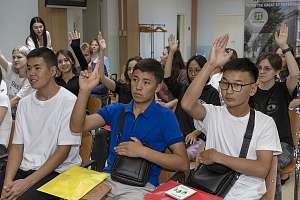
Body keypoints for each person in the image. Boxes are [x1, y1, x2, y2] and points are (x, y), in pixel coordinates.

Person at [70, 57, 189, 199]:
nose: (138, 86)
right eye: (135, 79)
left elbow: (183, 164)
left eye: (146, 82)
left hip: (141, 187)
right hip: (107, 180)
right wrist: (84, 91)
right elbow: (77, 127)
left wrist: (143, 152)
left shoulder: (165, 117)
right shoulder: (117, 110)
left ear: (157, 87)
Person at [182, 34, 281, 200]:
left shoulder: (265, 123)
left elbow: (262, 168)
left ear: (252, 89)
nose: (228, 90)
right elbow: (187, 104)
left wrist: (218, 157)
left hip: (246, 194)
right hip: (209, 189)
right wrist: (210, 65)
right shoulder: (213, 114)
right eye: (225, 83)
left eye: (237, 85)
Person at [0, 47, 81, 200]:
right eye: (29, 68)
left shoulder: (69, 102)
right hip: (26, 168)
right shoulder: (24, 104)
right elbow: (17, 147)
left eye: (37, 68)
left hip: (58, 172)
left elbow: (62, 152)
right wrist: (7, 183)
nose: (31, 73)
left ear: (52, 71)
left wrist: (26, 183)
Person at [250, 24, 300, 199]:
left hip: (282, 145)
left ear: (277, 72)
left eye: (267, 68)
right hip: (256, 145)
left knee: (271, 165)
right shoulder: (251, 91)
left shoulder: (282, 89)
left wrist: (285, 47)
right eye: (260, 68)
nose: (261, 72)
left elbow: (295, 75)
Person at [164, 34, 220, 160]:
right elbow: (167, 77)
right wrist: (172, 52)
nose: (193, 74)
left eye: (197, 70)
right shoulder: (184, 89)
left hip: (198, 140)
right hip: (177, 137)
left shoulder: (212, 93)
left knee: (183, 159)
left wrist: (197, 132)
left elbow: (214, 121)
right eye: (190, 70)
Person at [0, 46, 32, 117]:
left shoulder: (30, 79)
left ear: (27, 59)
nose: (15, 60)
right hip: (8, 112)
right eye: (13, 57)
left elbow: (16, 100)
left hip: (22, 115)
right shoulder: (10, 68)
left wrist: (2, 109)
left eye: (19, 57)